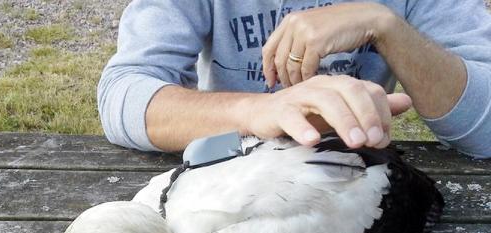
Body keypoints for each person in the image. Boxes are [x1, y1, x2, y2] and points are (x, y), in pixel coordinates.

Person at [97, 1, 491, 158]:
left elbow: (485, 130)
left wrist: (386, 26)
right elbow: (122, 95)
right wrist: (259, 111)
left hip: (355, 175)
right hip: (227, 163)